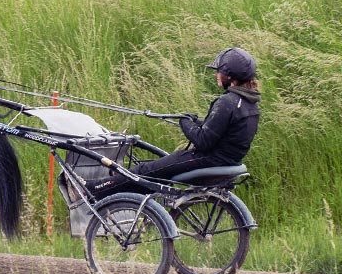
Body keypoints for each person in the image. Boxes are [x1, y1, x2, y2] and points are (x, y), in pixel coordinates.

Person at [91, 47, 261, 196]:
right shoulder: (249, 104)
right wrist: (197, 122)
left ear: (229, 76)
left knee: (145, 170)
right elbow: (221, 131)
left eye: (219, 72)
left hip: (207, 159)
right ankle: (132, 204)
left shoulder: (227, 102)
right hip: (225, 160)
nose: (217, 75)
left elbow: (203, 141)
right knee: (155, 173)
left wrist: (185, 122)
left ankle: (95, 189)